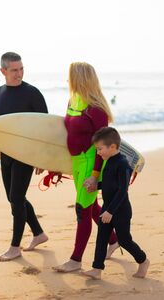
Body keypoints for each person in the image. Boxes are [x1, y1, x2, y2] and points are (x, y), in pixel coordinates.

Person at [53, 62, 119, 273]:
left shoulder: (96, 109)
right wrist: (55, 164)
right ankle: (114, 240)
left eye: (70, 76)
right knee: (91, 209)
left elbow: (103, 148)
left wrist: (94, 176)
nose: (67, 80)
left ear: (79, 78)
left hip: (91, 162)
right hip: (76, 162)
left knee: (82, 209)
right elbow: (68, 133)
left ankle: (75, 260)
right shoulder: (73, 100)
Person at [0, 52, 49, 261]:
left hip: (26, 154)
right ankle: (39, 233)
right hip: (6, 153)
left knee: (16, 199)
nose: (19, 74)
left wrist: (41, 158)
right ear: (3, 71)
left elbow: (45, 127)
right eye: (14, 70)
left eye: (21, 69)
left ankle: (15, 247)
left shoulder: (32, 93)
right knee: (12, 198)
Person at [81, 127, 149, 280]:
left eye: (100, 149)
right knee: (101, 238)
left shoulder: (123, 164)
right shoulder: (109, 161)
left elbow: (122, 190)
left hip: (120, 210)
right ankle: (97, 269)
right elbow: (108, 183)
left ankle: (143, 260)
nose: (98, 153)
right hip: (107, 208)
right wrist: (95, 186)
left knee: (124, 240)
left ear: (112, 147)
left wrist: (110, 211)